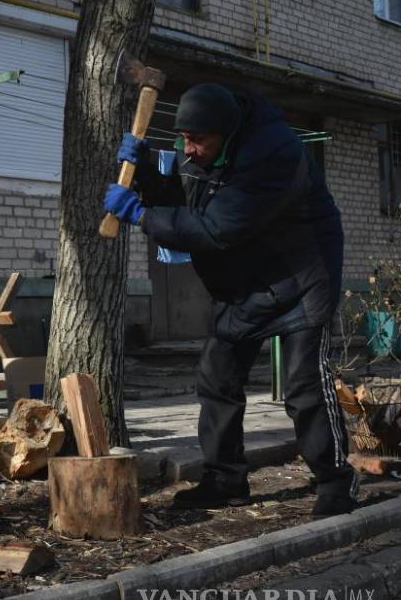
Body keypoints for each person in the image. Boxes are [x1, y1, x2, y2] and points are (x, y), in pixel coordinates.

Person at [103, 83, 356, 516]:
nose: (189, 148)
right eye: (184, 138)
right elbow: (187, 206)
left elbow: (217, 230)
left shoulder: (274, 154)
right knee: (217, 378)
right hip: (243, 283)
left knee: (303, 385)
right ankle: (225, 480)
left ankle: (335, 480)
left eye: (198, 139)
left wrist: (142, 217)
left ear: (227, 131)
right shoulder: (202, 149)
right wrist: (145, 173)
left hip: (299, 278)